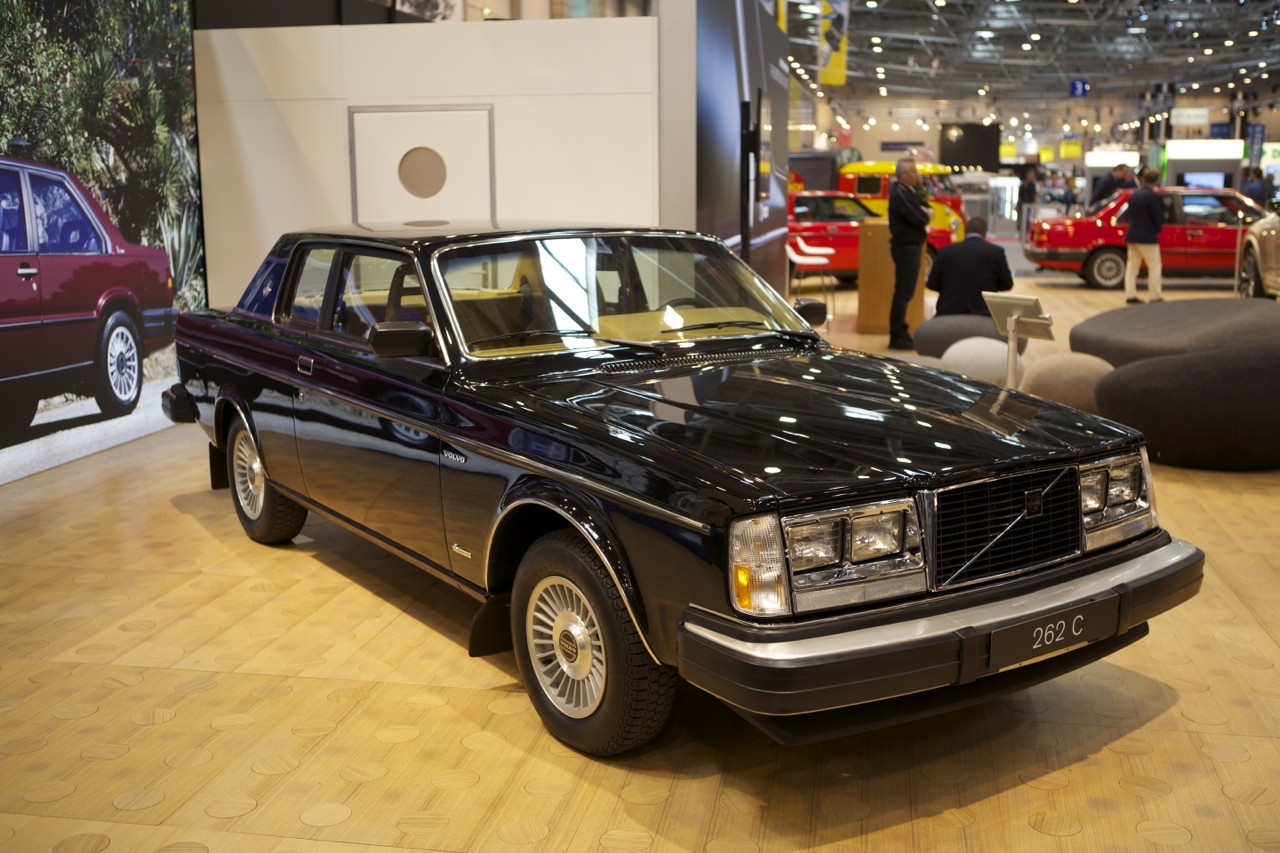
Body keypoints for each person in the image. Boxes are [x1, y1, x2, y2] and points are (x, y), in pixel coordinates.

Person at [925, 216, 1013, 315]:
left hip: (948, 314)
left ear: (965, 232)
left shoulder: (945, 251)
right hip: (984, 315)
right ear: (985, 234)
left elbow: (932, 284)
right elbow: (1007, 284)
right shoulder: (996, 252)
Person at [886, 158, 932, 350]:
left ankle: (901, 330)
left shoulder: (908, 191)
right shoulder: (899, 193)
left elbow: (925, 208)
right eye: (913, 171)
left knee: (906, 292)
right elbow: (918, 217)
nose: (917, 175)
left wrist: (926, 213)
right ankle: (897, 335)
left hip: (911, 247)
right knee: (903, 292)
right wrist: (925, 215)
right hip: (905, 248)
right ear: (903, 175)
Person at [1123, 167, 1164, 304]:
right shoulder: (1152, 196)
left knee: (1132, 267)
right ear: (1157, 180)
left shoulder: (1134, 194)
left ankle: (1130, 295)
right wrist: (1157, 229)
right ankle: (1154, 295)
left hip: (1132, 235)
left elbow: (1128, 215)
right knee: (1154, 266)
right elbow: (1157, 216)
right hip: (1147, 236)